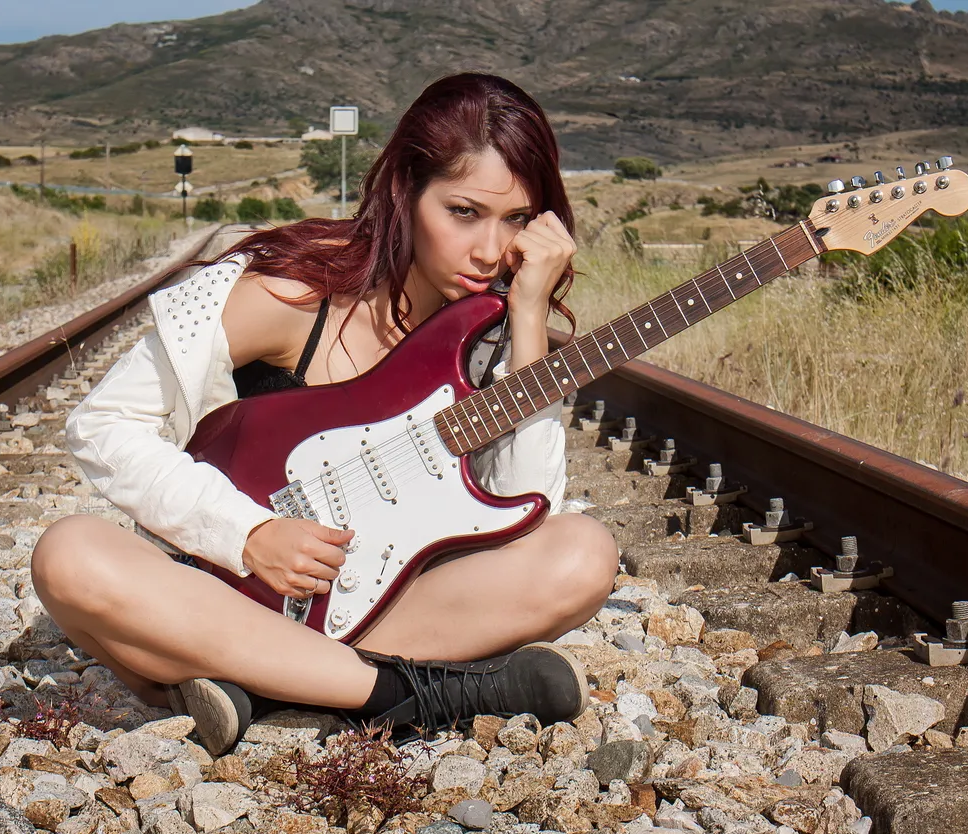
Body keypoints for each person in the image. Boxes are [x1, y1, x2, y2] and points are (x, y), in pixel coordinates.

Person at [31, 72, 620, 756]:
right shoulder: (291, 291)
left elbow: (530, 512)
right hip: (227, 592)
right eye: (463, 211)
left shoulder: (496, 335)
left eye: (516, 219)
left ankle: (260, 684)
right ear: (408, 190)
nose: (490, 251)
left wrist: (528, 316)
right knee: (69, 555)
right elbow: (102, 426)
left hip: (390, 604)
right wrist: (248, 532)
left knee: (583, 555)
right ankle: (406, 695)